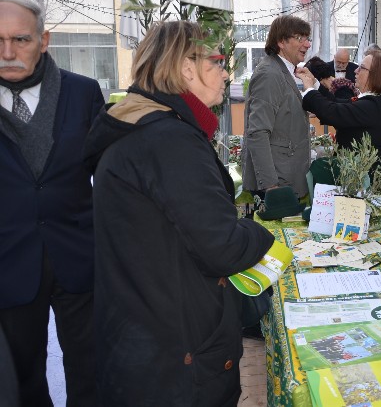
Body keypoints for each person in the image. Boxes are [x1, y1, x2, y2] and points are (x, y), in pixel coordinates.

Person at [83, 20, 274, 406]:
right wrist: (260, 231)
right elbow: (223, 247)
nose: (226, 73)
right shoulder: (169, 140)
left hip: (144, 336)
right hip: (176, 355)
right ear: (187, 69)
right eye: (219, 62)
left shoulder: (138, 125)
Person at [0, 0, 104, 406]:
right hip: (9, 262)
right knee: (21, 378)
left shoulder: (83, 93)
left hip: (79, 257)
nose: (7, 52)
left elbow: (108, 175)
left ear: (44, 40)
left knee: (92, 372)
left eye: (20, 40)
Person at [241, 15, 312, 200]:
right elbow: (257, 132)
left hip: (286, 177)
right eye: (300, 38)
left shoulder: (282, 71)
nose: (307, 44)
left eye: (307, 38)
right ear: (281, 41)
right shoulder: (270, 74)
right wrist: (271, 186)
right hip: (277, 184)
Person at [296, 48, 381, 154]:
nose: (356, 70)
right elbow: (337, 103)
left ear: (376, 75)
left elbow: (332, 112)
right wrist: (314, 82)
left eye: (362, 68)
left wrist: (309, 88)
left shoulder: (372, 105)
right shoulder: (375, 100)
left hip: (361, 169)